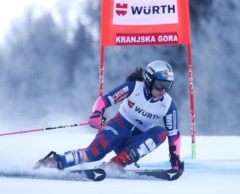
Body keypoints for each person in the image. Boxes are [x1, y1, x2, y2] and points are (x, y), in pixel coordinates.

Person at [34, 60, 184, 175]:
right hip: (118, 128)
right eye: (159, 84)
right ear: (149, 80)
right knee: (94, 153)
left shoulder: (168, 105)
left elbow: (174, 135)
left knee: (160, 132)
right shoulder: (134, 87)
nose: (163, 90)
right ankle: (55, 161)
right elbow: (104, 100)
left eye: (168, 85)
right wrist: (97, 113)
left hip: (133, 144)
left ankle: (116, 163)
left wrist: (175, 160)